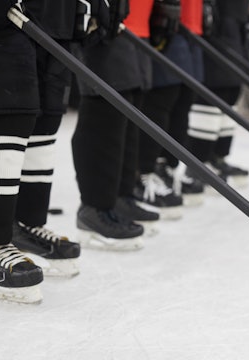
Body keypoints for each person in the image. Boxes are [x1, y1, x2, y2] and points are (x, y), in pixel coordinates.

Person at [0, 0, 109, 302]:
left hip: (51, 14)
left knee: (43, 117)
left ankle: (23, 224)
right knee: (3, 104)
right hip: (0, 16)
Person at [72, 0, 161, 250]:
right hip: (101, 18)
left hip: (131, 20)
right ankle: (94, 207)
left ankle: (120, 196)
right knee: (105, 105)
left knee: (129, 104)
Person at [138, 0, 206, 207]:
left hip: (187, 25)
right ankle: (148, 170)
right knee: (162, 100)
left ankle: (169, 167)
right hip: (163, 23)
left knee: (183, 101)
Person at [185, 0, 249, 189]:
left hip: (236, 24)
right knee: (214, 93)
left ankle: (218, 156)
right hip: (217, 26)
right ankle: (198, 162)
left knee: (232, 93)